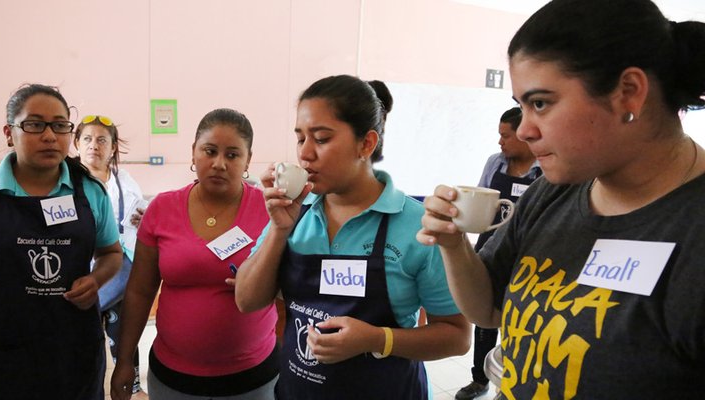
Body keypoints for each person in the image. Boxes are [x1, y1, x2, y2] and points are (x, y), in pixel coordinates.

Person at [418, 0, 705, 398]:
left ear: (628, 93)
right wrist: (453, 244)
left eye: (540, 104)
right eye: (522, 106)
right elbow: (488, 310)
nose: (523, 132)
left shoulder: (693, 232)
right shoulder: (553, 192)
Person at [235, 75, 470, 400]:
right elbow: (247, 301)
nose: (305, 154)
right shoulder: (295, 213)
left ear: (366, 144)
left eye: (321, 139)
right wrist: (278, 229)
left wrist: (377, 339)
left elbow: (457, 336)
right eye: (300, 138)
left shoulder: (415, 225)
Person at [0, 84, 123, 400]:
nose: (49, 136)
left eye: (60, 125)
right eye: (34, 124)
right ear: (9, 133)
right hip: (0, 364)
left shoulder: (90, 193)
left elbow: (111, 253)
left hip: (75, 362)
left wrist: (96, 278)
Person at [111, 108, 277, 400]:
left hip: (253, 379)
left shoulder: (270, 211)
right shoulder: (162, 209)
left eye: (232, 155)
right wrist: (125, 361)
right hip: (175, 380)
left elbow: (290, 287)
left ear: (248, 160)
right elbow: (139, 291)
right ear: (193, 152)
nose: (219, 164)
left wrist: (261, 287)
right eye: (209, 151)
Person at [455, 107, 541, 400]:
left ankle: (511, 382)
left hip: (529, 258)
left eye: (506, 135)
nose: (500, 142)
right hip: (491, 247)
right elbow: (480, 198)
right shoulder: (496, 164)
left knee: (519, 323)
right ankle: (479, 380)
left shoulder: (544, 171)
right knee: (483, 322)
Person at [74, 115, 148, 399]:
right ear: (77, 144)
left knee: (124, 332)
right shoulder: (67, 181)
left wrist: (144, 219)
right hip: (81, 270)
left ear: (113, 147)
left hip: (120, 270)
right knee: (85, 337)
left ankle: (134, 387)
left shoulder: (126, 183)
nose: (95, 145)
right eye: (88, 139)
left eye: (102, 140)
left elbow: (136, 222)